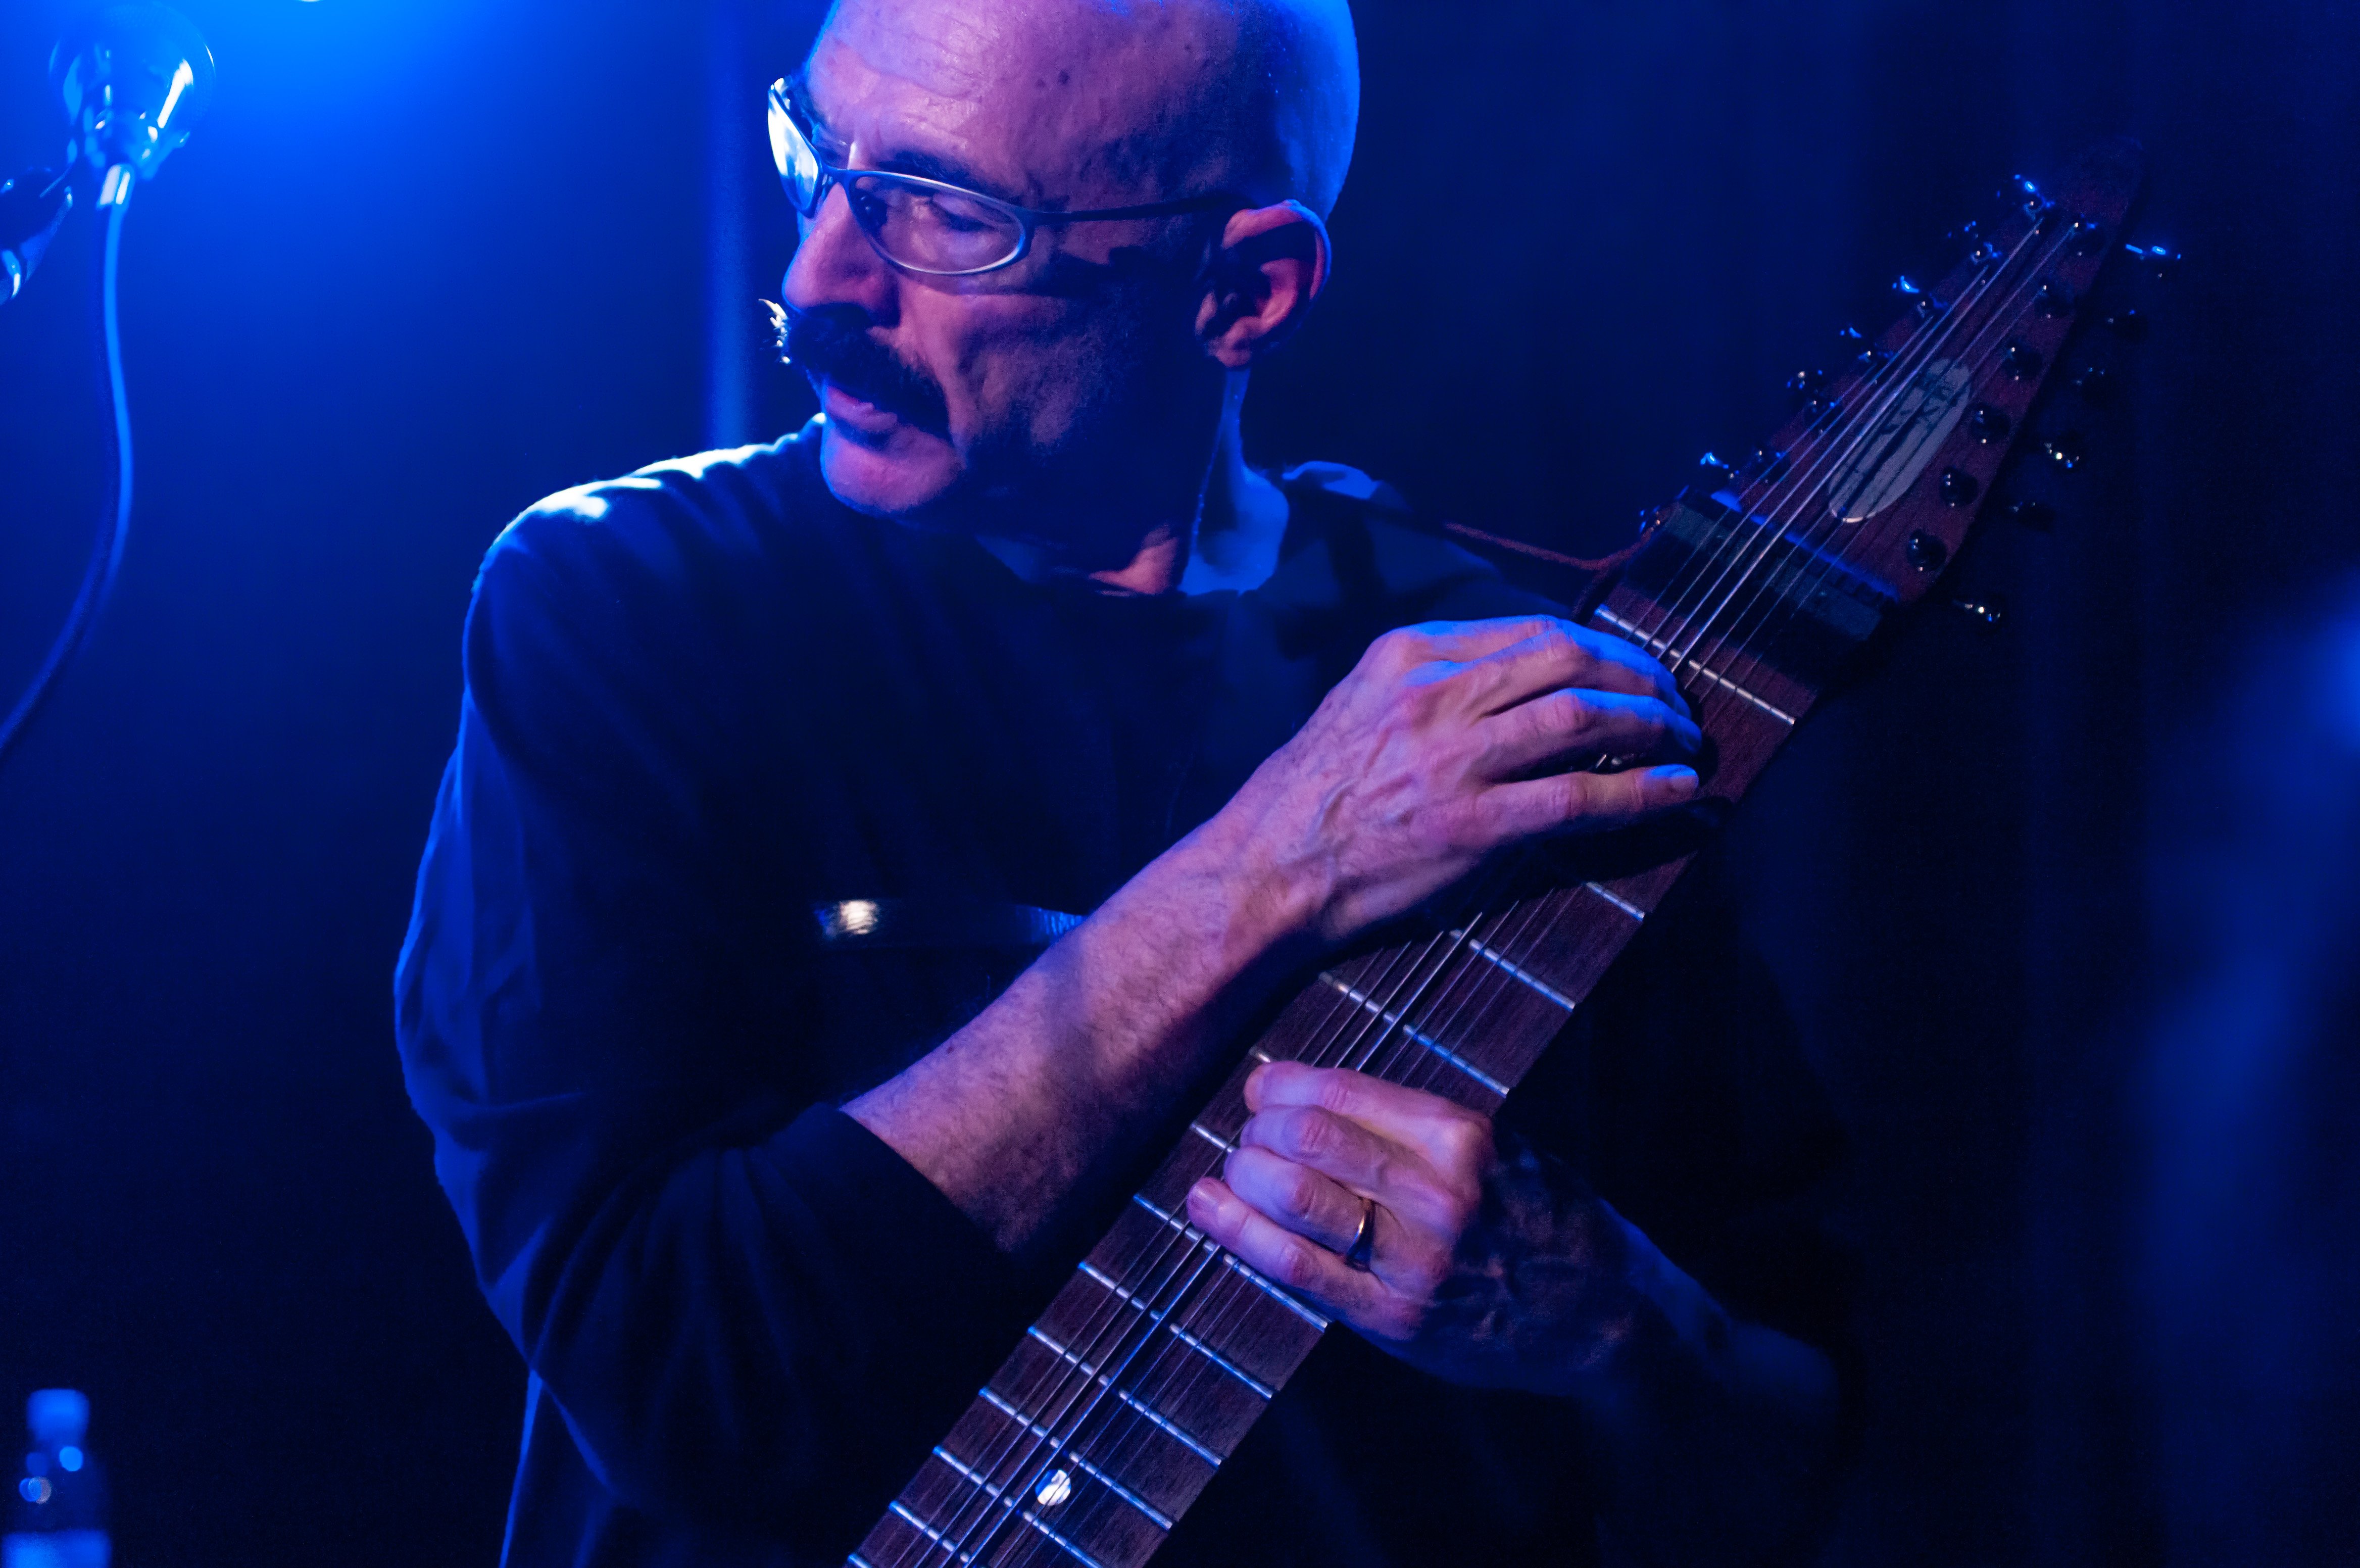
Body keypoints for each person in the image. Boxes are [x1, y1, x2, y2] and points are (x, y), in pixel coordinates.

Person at [395, 1, 1852, 1563]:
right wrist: (1278, 861)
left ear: (1245, 291)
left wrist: (1614, 1325)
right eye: (817, 154)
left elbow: (1808, 1451)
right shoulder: (628, 607)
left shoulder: (1494, 697)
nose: (818, 281)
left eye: (949, 216)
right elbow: (679, 1374)